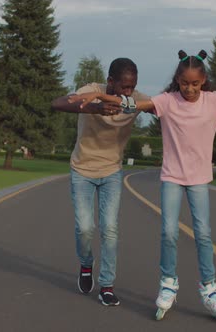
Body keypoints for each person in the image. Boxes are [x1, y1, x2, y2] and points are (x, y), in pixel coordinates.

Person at [71, 50, 216, 322]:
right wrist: (100, 96)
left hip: (199, 179)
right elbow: (129, 105)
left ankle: (209, 289)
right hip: (172, 177)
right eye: (184, 83)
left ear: (203, 81)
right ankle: (168, 283)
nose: (190, 89)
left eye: (195, 84)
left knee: (203, 234)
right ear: (178, 80)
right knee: (169, 232)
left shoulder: (213, 101)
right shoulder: (167, 101)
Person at [50, 58, 149, 306]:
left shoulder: (136, 98)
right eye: (124, 87)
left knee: (110, 229)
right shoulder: (91, 90)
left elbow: (164, 108)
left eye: (132, 86)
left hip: (112, 172)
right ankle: (86, 264)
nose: (128, 92)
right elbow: (58, 103)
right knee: (85, 228)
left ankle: (107, 285)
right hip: (82, 169)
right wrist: (93, 107)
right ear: (110, 82)